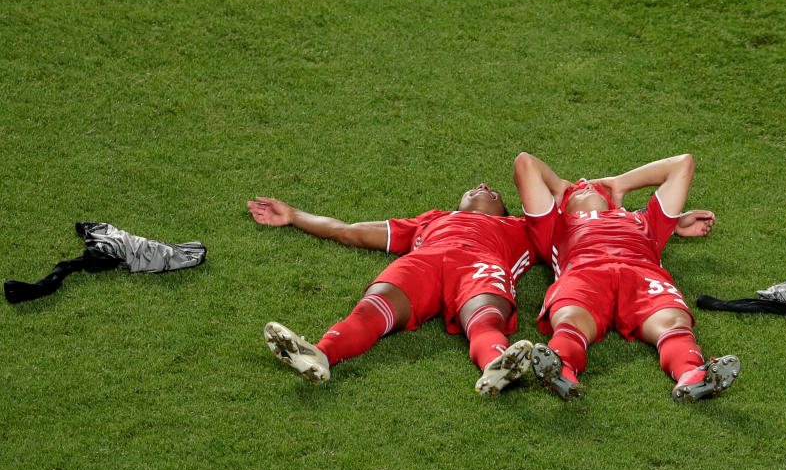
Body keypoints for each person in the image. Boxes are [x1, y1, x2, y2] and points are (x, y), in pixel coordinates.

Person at [248, 184, 537, 395]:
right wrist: (293, 214)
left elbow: (574, 231)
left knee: (484, 319)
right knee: (370, 310)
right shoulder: (430, 220)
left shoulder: (522, 228)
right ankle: (318, 356)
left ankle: (496, 366)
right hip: (423, 262)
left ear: (503, 211)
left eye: (493, 192)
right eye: (475, 187)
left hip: (480, 263)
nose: (483, 186)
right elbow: (349, 232)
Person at [512, 152, 740, 402]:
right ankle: (561, 368)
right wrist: (558, 187)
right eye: (577, 190)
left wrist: (620, 183)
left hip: (642, 274)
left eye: (592, 186)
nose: (584, 182)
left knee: (673, 322)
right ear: (560, 205)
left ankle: (691, 375)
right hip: (584, 274)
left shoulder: (645, 221)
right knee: (571, 320)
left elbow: (682, 164)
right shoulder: (554, 224)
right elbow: (525, 163)